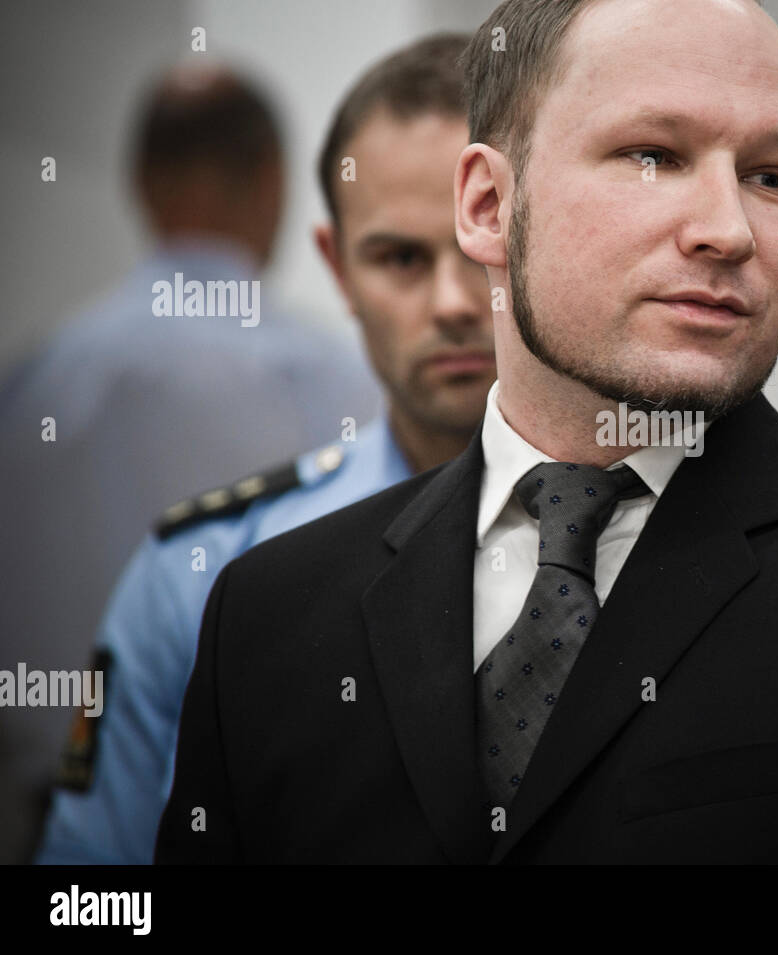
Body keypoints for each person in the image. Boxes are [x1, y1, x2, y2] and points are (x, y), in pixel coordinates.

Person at [155, 0, 778, 866]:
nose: (729, 230)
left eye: (771, 176)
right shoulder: (267, 617)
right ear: (490, 205)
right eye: (653, 156)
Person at [34, 34, 495, 864]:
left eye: (485, 247)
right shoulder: (201, 573)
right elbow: (96, 887)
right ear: (338, 267)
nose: (453, 303)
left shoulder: (664, 540)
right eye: (399, 256)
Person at [0, 63, 383, 863]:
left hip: (60, 825)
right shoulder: (338, 380)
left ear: (140, 181)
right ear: (276, 182)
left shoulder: (37, 377)